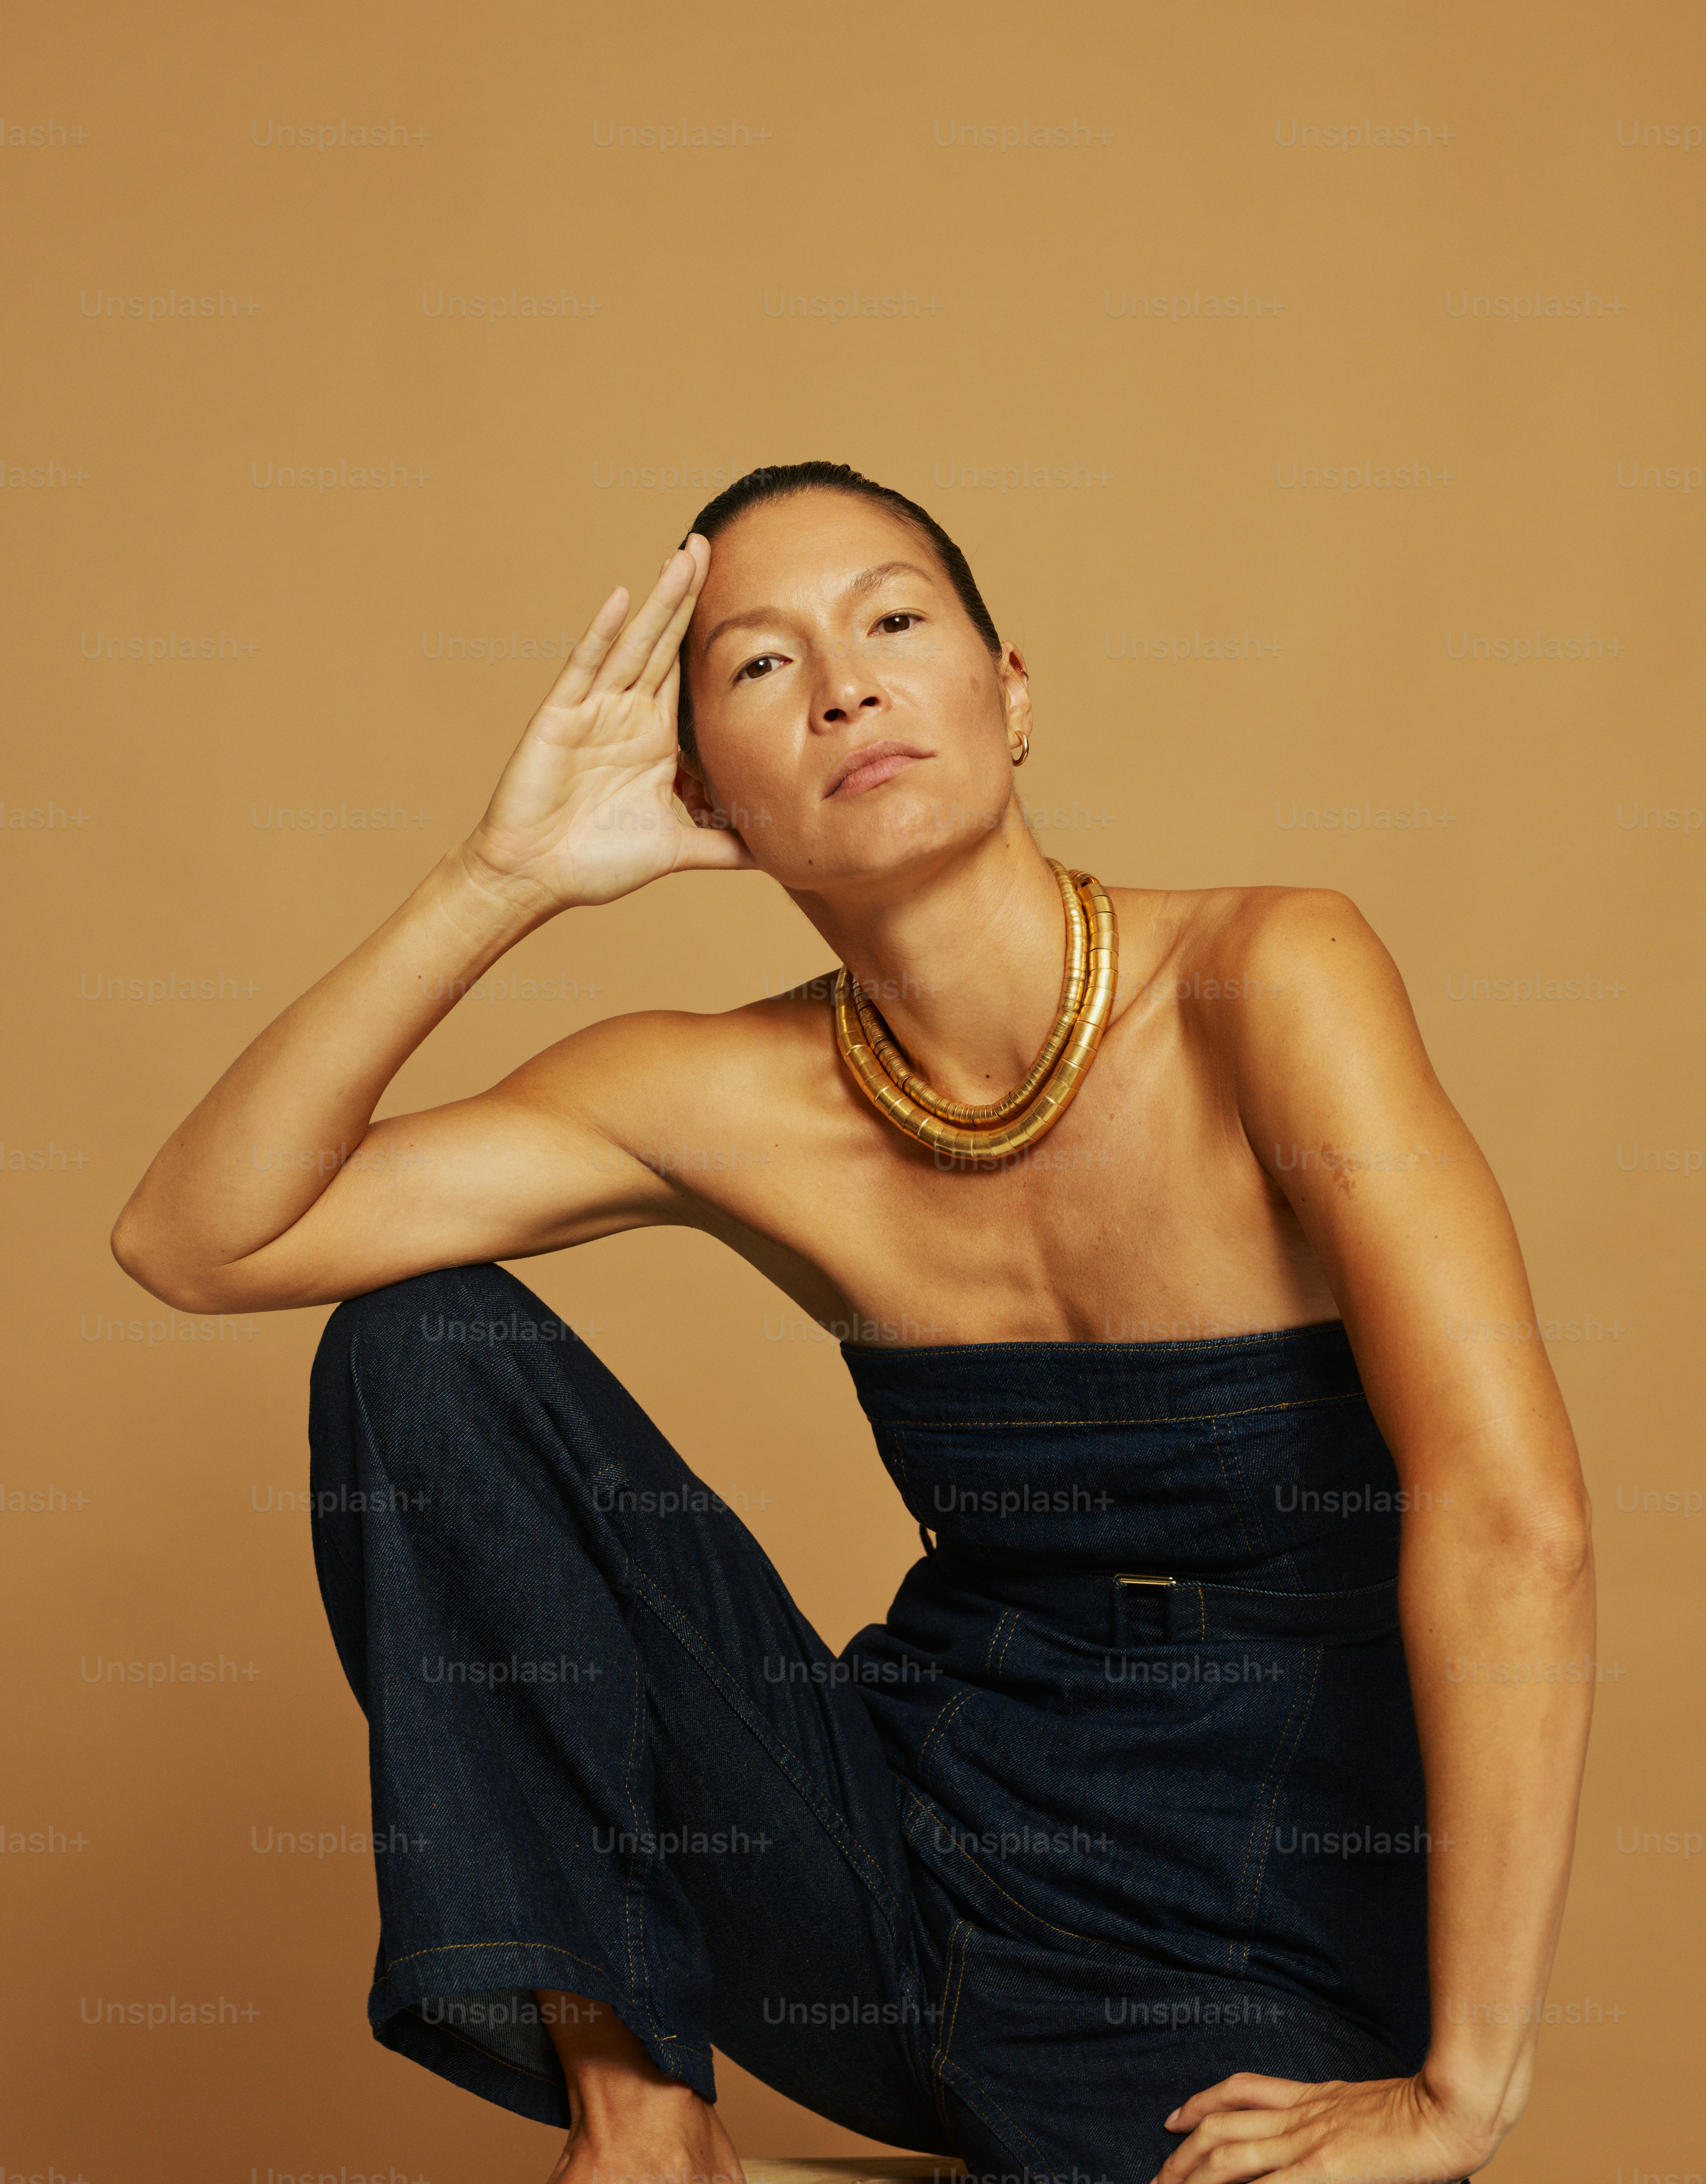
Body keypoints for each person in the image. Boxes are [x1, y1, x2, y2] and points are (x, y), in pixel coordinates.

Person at [113, 463, 1595, 2184]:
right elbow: (198, 1239)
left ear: (1010, 690)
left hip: (1256, 1941)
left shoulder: (1271, 983)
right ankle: (646, 2116)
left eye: (893, 620)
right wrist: (497, 876)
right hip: (893, 1877)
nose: (844, 685)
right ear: (705, 787)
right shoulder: (713, 1091)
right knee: (417, 1345)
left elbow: (1510, 1523)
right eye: (759, 667)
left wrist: (1464, 2088)